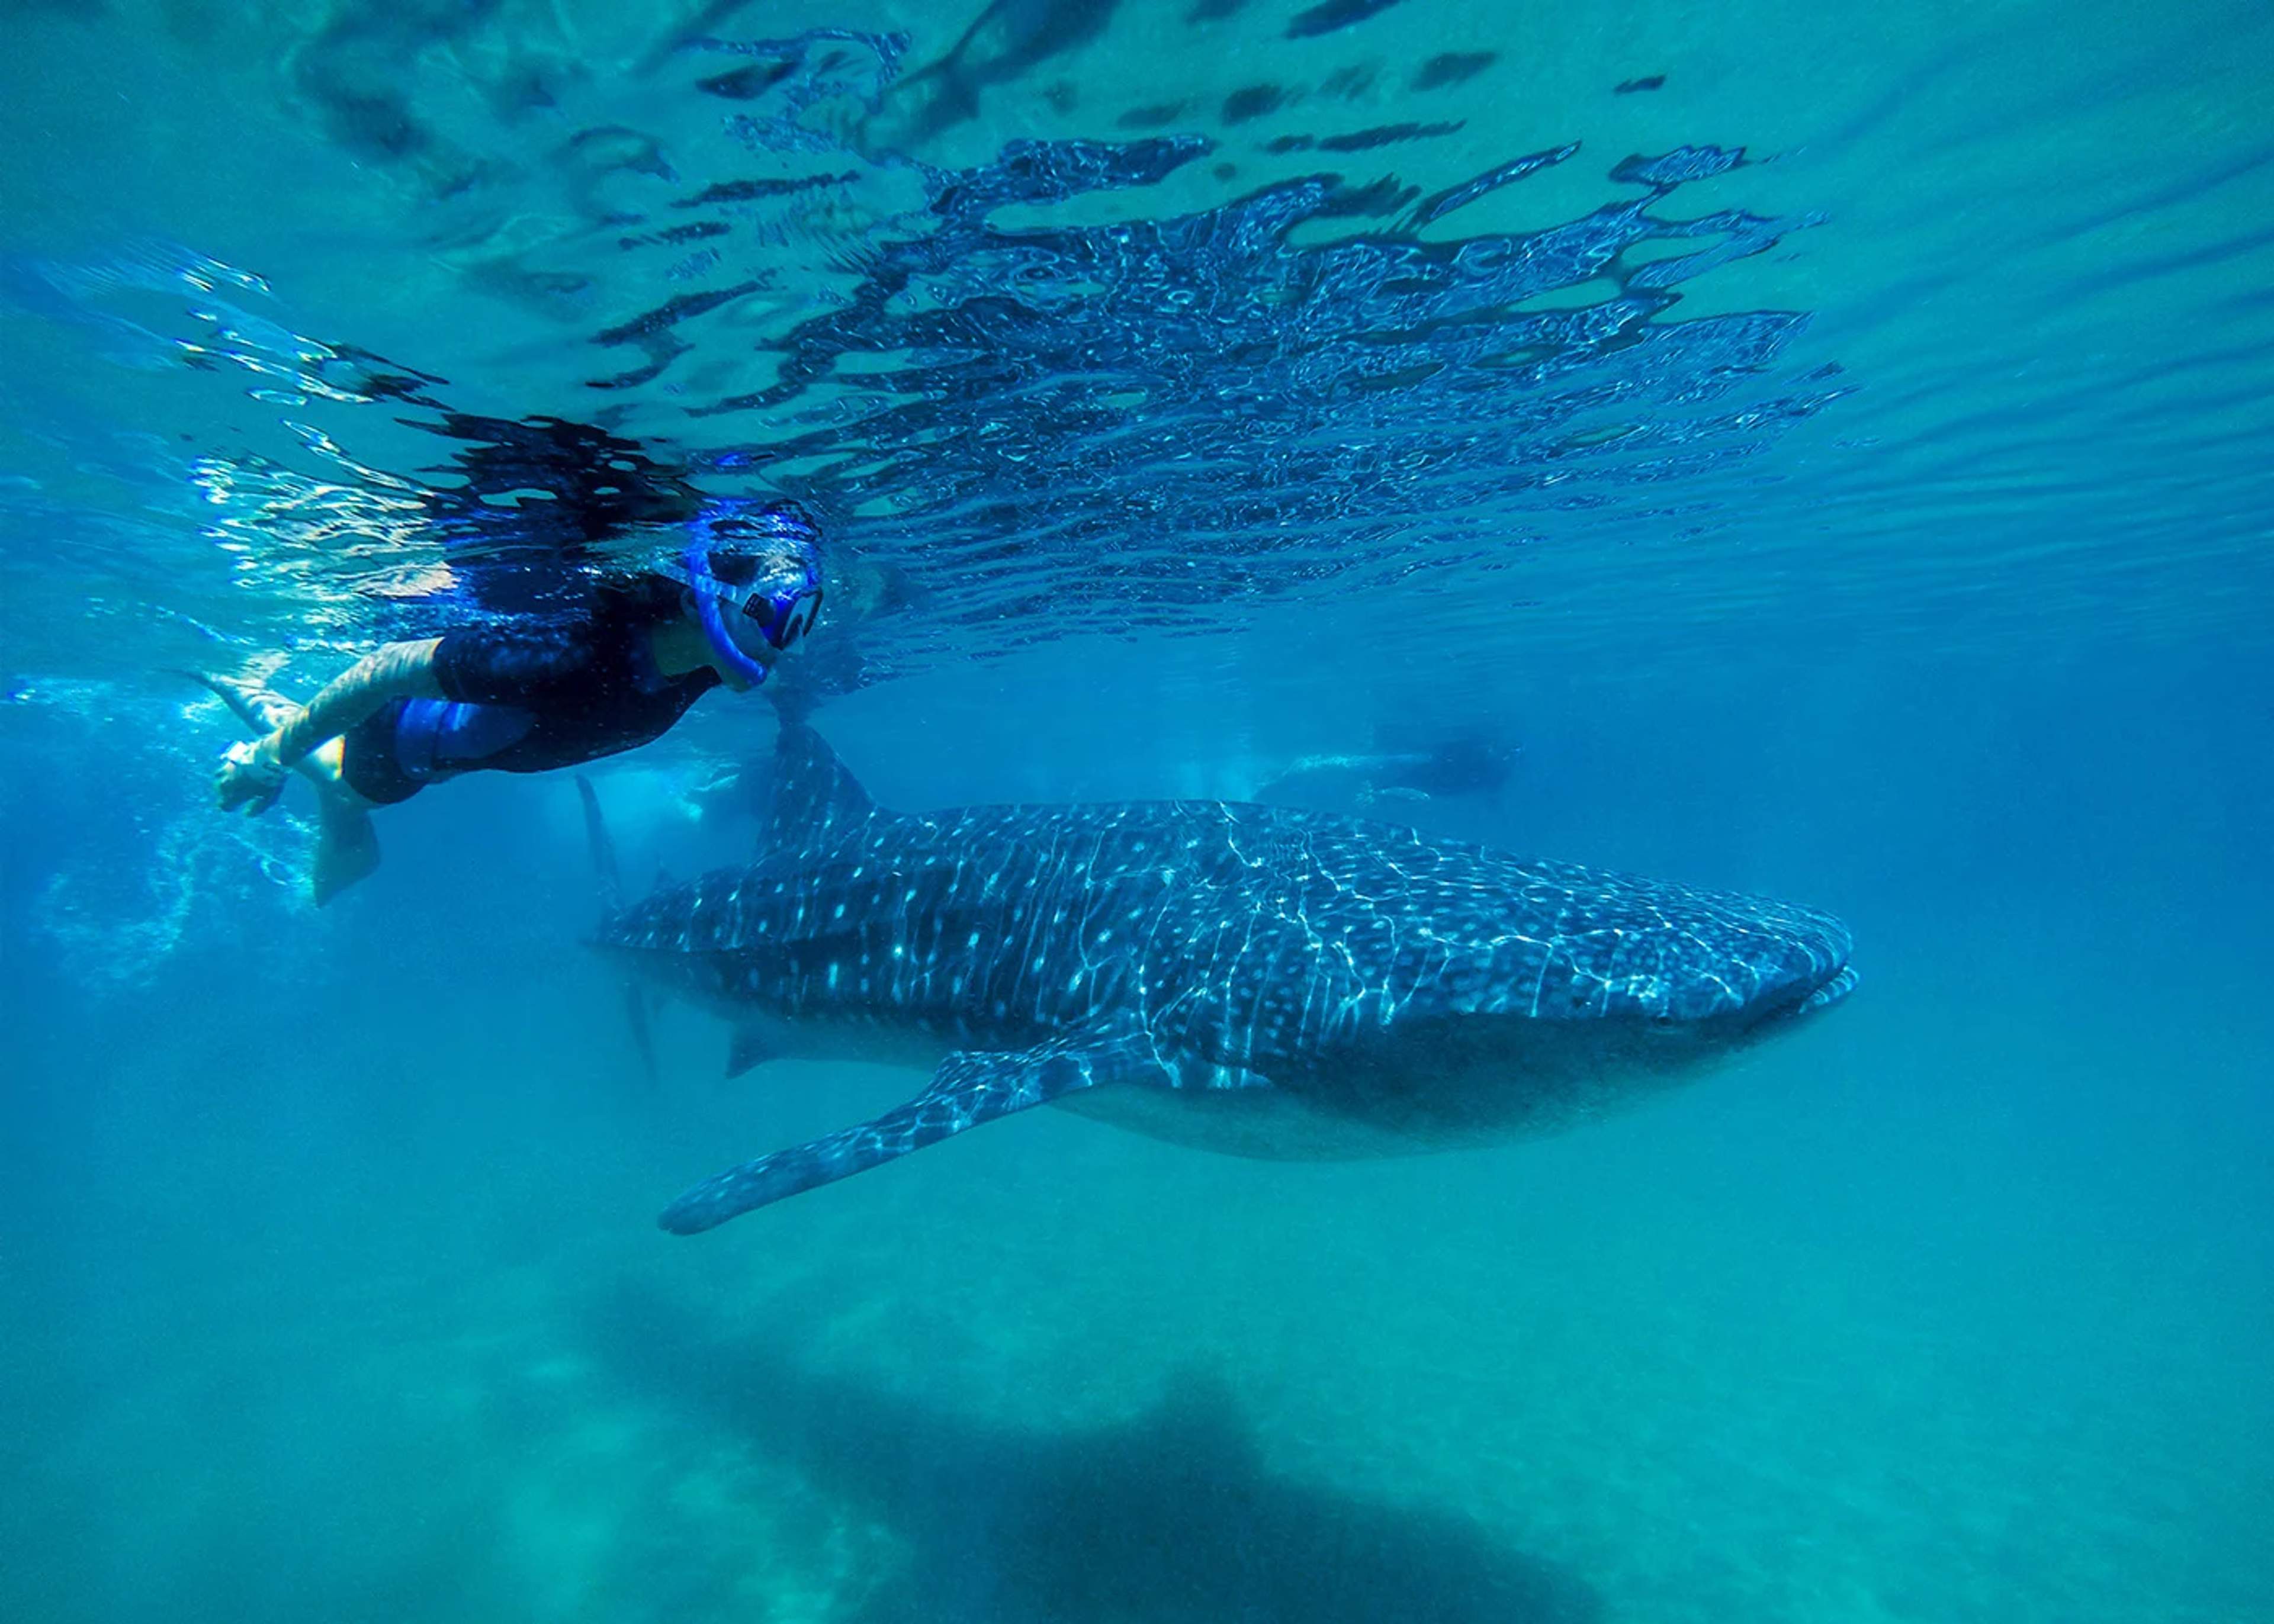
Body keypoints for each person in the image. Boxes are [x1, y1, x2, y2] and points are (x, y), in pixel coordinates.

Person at [201, 497, 824, 905]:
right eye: (776, 617)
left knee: (344, 848)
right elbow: (382, 668)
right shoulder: (566, 658)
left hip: (446, 745)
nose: (787, 645)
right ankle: (233, 682)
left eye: (804, 618)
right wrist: (270, 756)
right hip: (400, 748)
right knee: (348, 801)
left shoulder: (705, 665)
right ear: (697, 602)